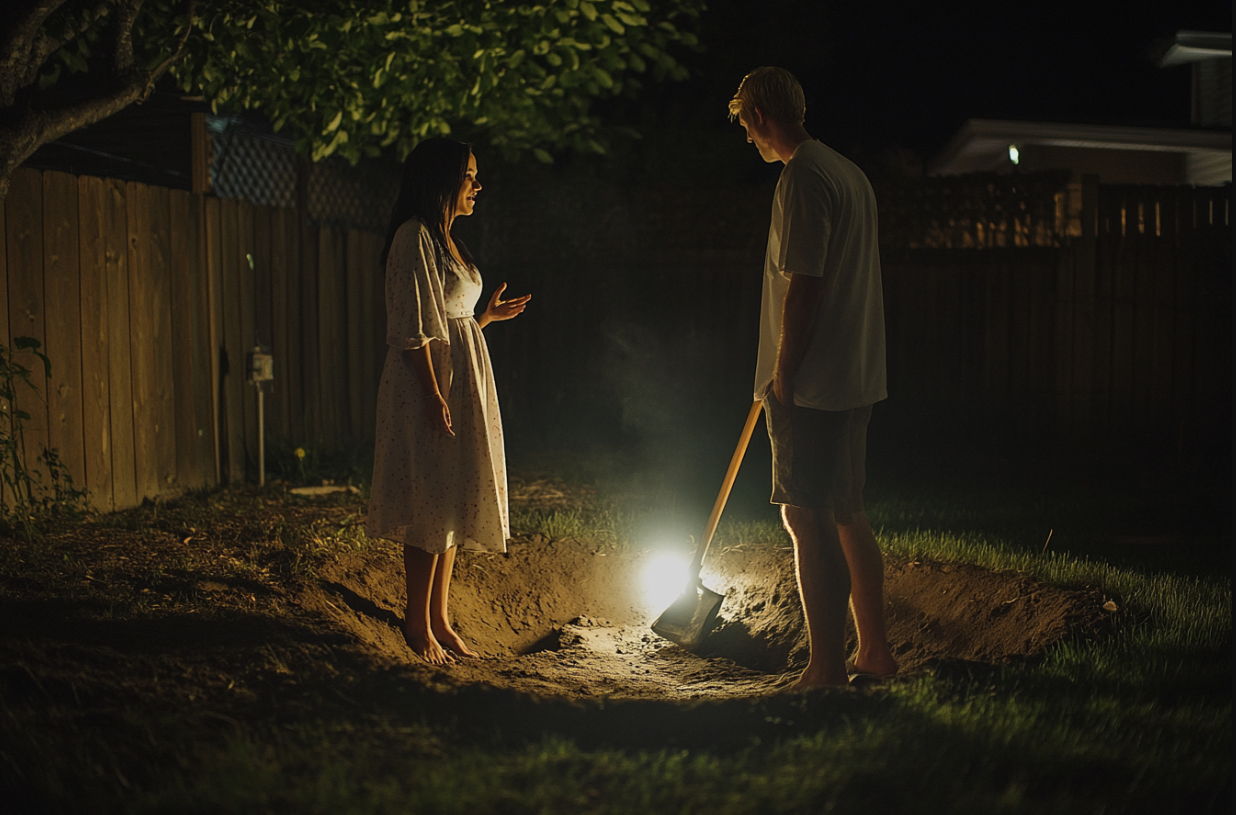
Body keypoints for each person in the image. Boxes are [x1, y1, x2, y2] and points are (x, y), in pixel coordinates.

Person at [729, 67, 899, 689]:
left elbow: (805, 286)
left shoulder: (802, 177)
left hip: (813, 382)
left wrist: (782, 373)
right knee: (846, 511)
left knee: (805, 517)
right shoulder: (847, 172)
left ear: (760, 117)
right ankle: (874, 652)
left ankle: (825, 667)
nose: (749, 139)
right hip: (854, 374)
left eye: (747, 126)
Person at [366, 138, 530, 666]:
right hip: (427, 384)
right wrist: (434, 393)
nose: (478, 186)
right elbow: (413, 325)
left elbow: (449, 321)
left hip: (460, 376)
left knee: (456, 495)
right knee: (430, 497)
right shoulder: (414, 237)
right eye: (469, 176)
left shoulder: (446, 239)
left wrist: (484, 321)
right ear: (442, 180)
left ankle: (440, 617)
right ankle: (417, 622)